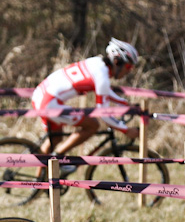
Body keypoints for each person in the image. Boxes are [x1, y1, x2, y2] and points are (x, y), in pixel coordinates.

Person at [31, 38, 140, 171]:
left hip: (40, 95)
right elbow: (103, 114)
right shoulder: (103, 77)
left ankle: (37, 185)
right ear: (117, 62)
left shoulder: (97, 62)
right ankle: (58, 158)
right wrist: (126, 130)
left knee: (55, 139)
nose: (129, 71)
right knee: (92, 125)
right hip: (49, 104)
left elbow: (105, 92)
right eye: (129, 66)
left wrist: (126, 105)